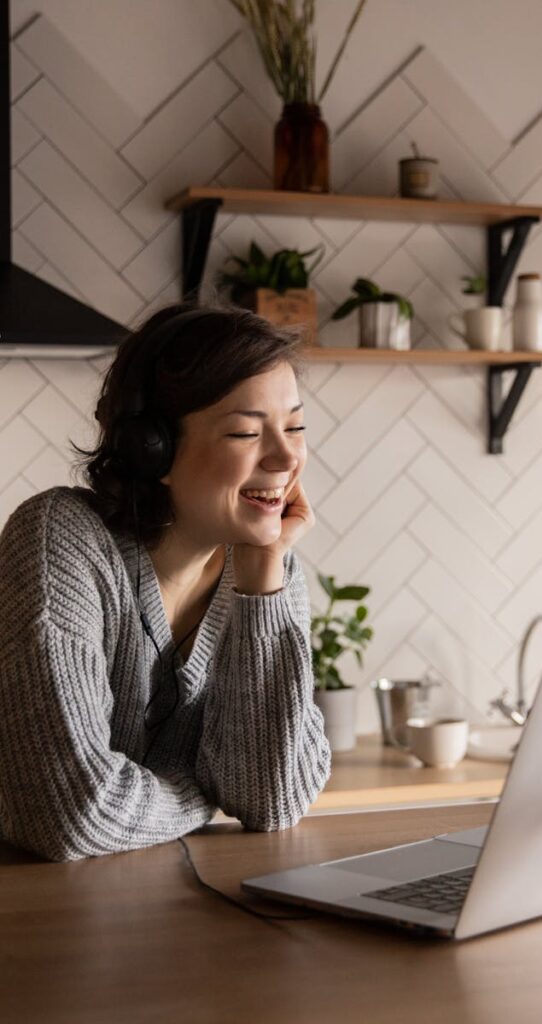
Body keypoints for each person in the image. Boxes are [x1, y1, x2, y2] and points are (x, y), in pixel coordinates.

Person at [0, 302, 331, 862]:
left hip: (153, 905)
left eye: (295, 426)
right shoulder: (60, 539)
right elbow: (69, 814)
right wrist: (199, 794)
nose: (285, 457)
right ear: (152, 448)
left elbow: (272, 801)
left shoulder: (268, 568)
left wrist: (261, 585)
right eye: (247, 432)